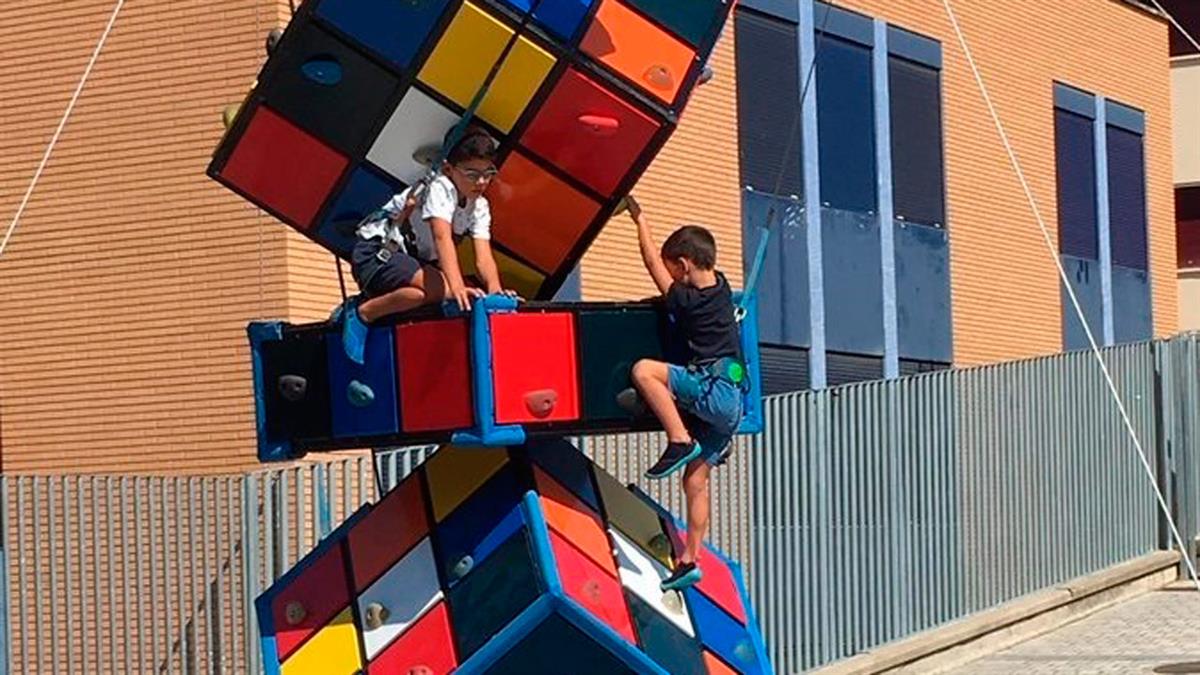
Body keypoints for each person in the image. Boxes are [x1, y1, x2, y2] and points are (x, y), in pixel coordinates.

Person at [623, 196, 745, 592]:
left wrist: (639, 217)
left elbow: (650, 263)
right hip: (733, 403)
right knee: (695, 481)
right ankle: (689, 560)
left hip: (712, 390)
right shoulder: (722, 288)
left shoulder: (686, 300)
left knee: (644, 371)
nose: (672, 275)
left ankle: (678, 439)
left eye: (675, 267)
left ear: (685, 265)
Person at [341, 128, 512, 363]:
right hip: (376, 254)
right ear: (449, 169)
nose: (481, 182)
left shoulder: (480, 206)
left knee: (427, 295)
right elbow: (441, 237)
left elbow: (483, 256)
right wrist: (457, 287)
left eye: (488, 173)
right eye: (472, 174)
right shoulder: (440, 187)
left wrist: (496, 291)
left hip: (410, 264)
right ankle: (362, 313)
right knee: (452, 292)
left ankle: (371, 305)